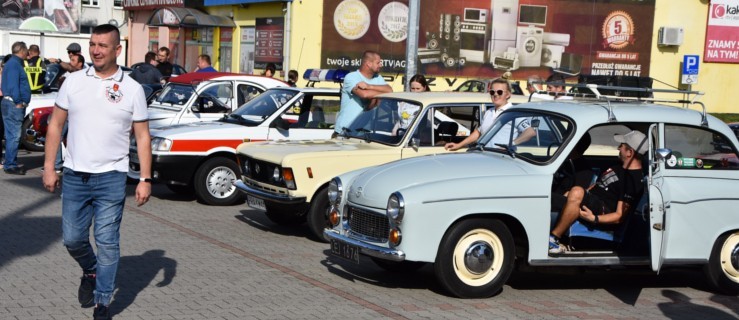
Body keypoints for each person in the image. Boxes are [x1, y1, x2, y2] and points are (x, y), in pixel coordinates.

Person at [42, 24, 152, 320]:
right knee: (72, 239)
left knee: (107, 241)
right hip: (75, 176)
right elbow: (55, 126)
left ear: (118, 50)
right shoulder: (73, 82)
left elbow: (142, 136)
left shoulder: (132, 89)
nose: (96, 50)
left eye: (103, 45)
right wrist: (49, 166)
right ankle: (90, 270)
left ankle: (102, 303)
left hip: (112, 178)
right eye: (92, 44)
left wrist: (145, 179)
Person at [548, 130, 646, 255]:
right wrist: (573, 194)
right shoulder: (618, 167)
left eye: (622, 145)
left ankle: (554, 239)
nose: (618, 148)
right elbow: (597, 185)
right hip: (590, 200)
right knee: (549, 198)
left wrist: (594, 218)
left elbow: (619, 216)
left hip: (601, 209)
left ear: (630, 152)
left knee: (577, 191)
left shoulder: (633, 180)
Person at [444, 78, 534, 151]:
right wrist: (459, 145)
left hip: (504, 158)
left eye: (499, 92)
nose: (495, 95)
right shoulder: (488, 112)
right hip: (486, 156)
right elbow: (478, 132)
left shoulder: (513, 113)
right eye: (492, 92)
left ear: (508, 94)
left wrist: (511, 144)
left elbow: (530, 132)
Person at [333, 50, 393, 138]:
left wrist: (369, 86)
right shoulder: (352, 77)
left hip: (364, 132)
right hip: (345, 131)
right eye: (378, 62)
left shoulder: (378, 78)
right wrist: (379, 92)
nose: (381, 65)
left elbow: (390, 90)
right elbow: (364, 95)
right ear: (368, 64)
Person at [1, 41, 30, 175]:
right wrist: (19, 102)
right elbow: (13, 86)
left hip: (10, 104)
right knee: (14, 136)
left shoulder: (13, 63)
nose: (28, 53)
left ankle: (10, 162)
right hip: (13, 104)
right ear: (22, 51)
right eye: (27, 50)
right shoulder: (14, 65)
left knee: (11, 135)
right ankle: (10, 165)